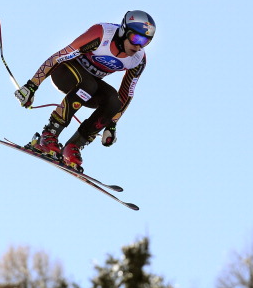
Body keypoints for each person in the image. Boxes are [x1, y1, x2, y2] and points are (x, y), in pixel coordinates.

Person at [14, 10, 156, 172]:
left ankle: (74, 146)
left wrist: (112, 125)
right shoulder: (102, 34)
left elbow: (127, 93)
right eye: (136, 38)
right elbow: (58, 57)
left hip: (89, 87)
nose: (138, 46)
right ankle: (49, 135)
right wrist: (31, 86)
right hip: (65, 73)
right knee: (89, 85)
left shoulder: (137, 60)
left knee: (114, 101)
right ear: (123, 30)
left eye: (145, 41)